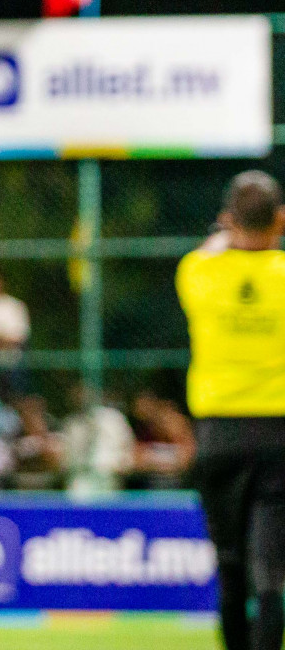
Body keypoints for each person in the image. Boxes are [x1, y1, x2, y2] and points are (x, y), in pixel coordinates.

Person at [176, 170, 285, 650]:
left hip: (219, 435)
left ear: (226, 220)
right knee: (271, 572)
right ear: (280, 220)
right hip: (279, 435)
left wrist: (225, 234)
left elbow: (212, 247)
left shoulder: (197, 272)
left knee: (230, 564)